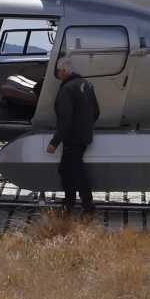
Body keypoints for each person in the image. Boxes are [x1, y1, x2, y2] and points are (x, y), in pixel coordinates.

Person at [46, 58, 100, 214]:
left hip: (72, 137)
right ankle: (72, 203)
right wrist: (86, 126)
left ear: (64, 71)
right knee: (68, 169)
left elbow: (65, 119)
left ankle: (84, 206)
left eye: (58, 72)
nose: (57, 75)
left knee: (73, 170)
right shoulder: (87, 84)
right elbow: (96, 112)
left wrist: (54, 142)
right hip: (84, 135)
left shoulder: (67, 89)